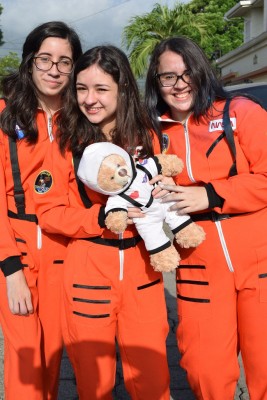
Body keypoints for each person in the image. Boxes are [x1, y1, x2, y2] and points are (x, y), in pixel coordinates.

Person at [33, 45, 170, 400]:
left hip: (143, 273)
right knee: (94, 385)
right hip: (88, 272)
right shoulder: (64, 142)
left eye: (100, 89)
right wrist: (101, 218)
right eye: (81, 89)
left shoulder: (147, 137)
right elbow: (48, 213)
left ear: (123, 88)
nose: (89, 99)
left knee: (152, 382)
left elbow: (160, 194)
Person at [144, 36, 267, 400]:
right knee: (204, 369)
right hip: (198, 263)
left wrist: (211, 194)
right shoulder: (152, 133)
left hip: (260, 261)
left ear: (201, 72)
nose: (180, 85)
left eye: (187, 74)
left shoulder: (240, 112)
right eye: (168, 77)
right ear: (156, 81)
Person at [0, 21, 82, 399]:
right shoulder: (5, 113)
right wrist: (11, 268)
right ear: (29, 61)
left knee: (52, 354)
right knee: (26, 357)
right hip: (15, 247)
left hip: (64, 249)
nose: (54, 70)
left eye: (64, 62)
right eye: (45, 59)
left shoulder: (82, 118)